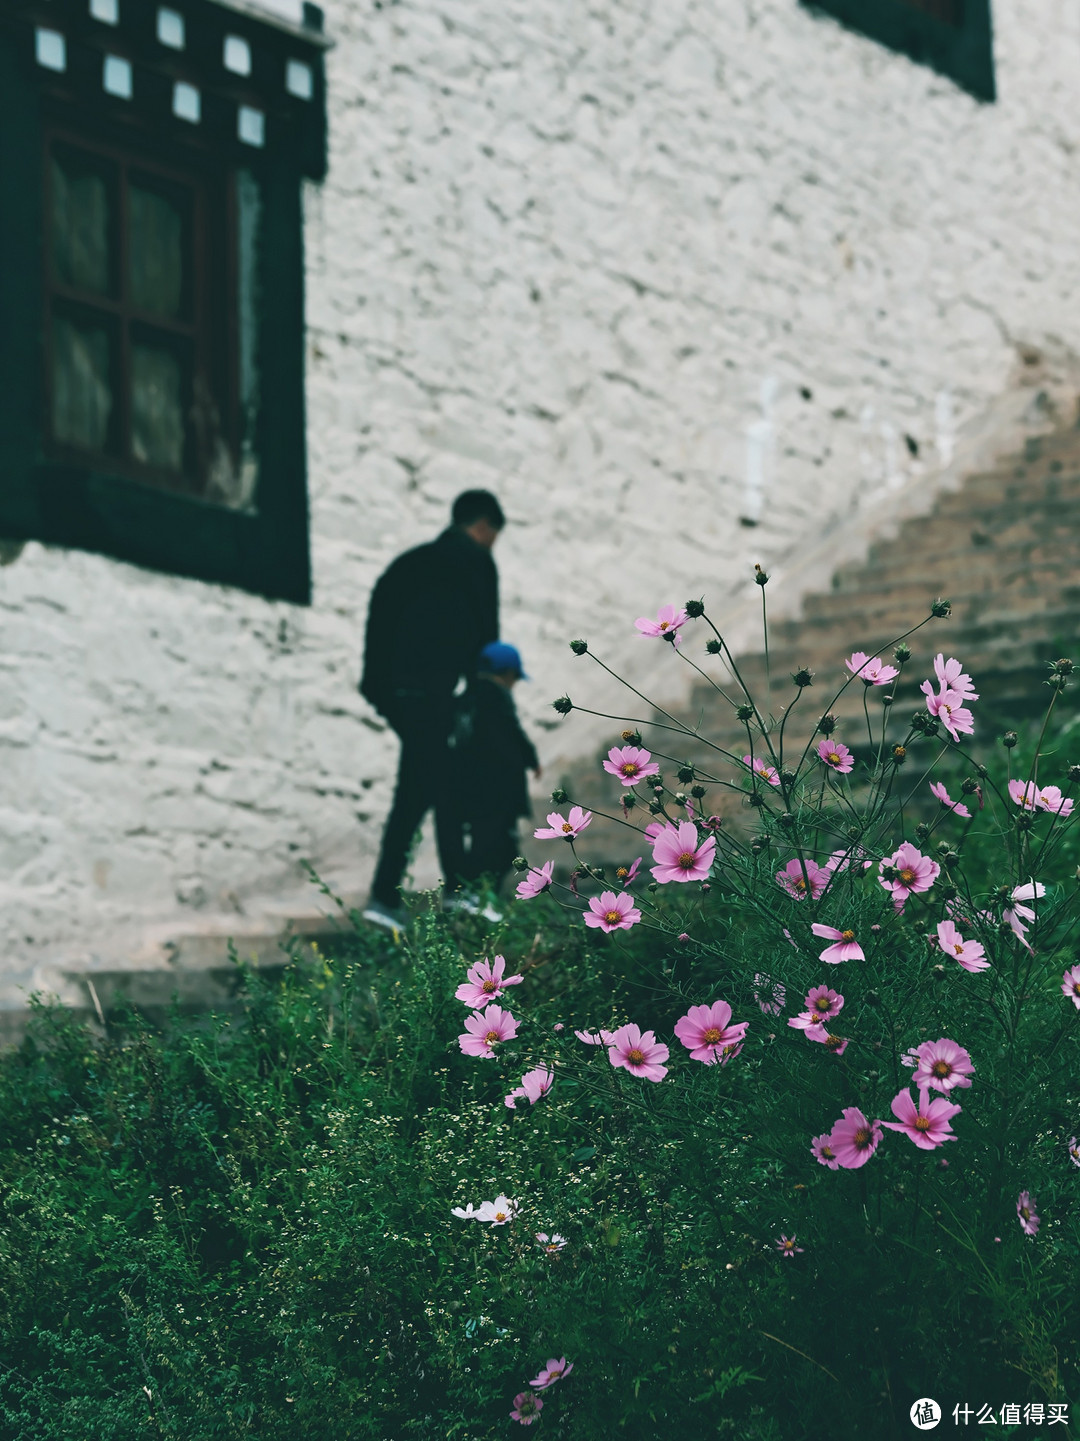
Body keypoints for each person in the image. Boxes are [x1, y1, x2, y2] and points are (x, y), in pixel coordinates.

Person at [359, 490, 504, 930]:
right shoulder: (476, 561)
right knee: (448, 787)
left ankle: (384, 898)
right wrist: (482, 697)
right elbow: (486, 637)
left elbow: (376, 629)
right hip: (441, 695)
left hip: (400, 697)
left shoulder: (409, 563)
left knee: (418, 789)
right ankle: (458, 893)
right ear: (483, 527)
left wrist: (383, 695)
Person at [451, 641, 541, 901]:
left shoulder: (465, 699)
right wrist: (530, 758)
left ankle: (472, 895)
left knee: (480, 842)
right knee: (501, 848)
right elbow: (511, 733)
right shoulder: (498, 697)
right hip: (498, 790)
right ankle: (480, 896)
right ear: (508, 673)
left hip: (472, 789)